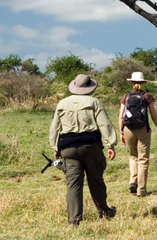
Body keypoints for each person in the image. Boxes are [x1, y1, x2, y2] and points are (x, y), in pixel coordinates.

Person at [49, 74, 117, 226]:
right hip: (91, 146)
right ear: (89, 88)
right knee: (96, 180)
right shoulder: (94, 102)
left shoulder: (62, 103)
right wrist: (110, 144)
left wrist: (56, 147)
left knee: (73, 184)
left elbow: (55, 128)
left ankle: (74, 220)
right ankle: (104, 212)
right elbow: (104, 124)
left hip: (68, 147)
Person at [118, 71, 157, 197]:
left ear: (132, 82)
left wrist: (121, 132)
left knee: (133, 156)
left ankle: (133, 181)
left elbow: (121, 116)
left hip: (128, 129)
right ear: (143, 83)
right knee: (143, 159)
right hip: (143, 128)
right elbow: (153, 115)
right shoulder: (147, 96)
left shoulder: (126, 96)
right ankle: (142, 190)